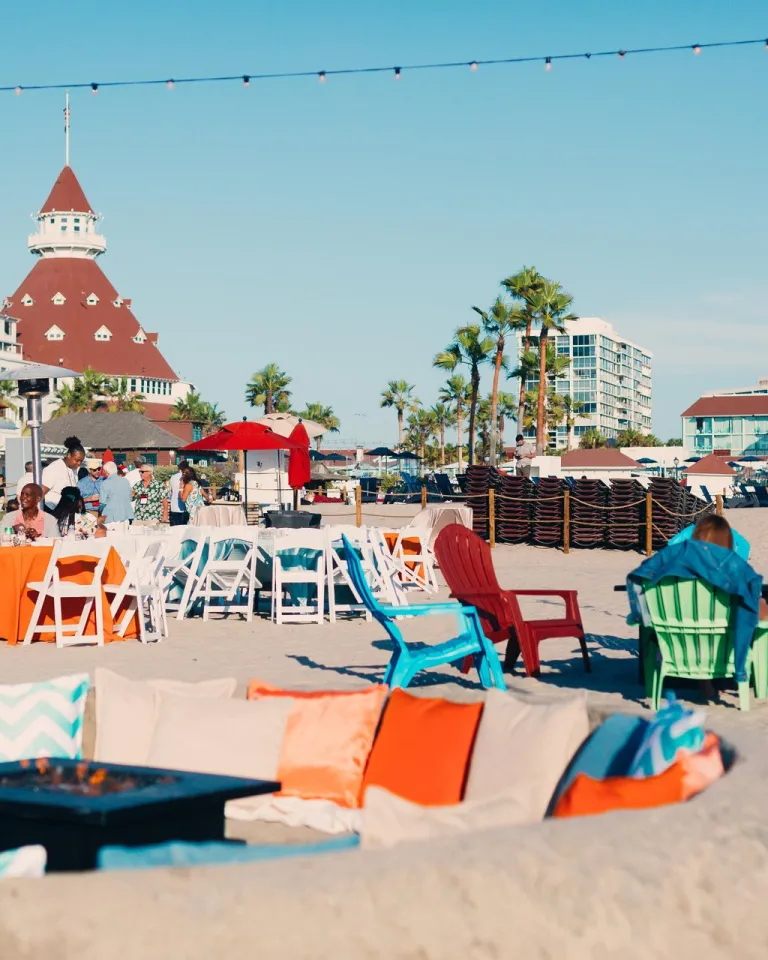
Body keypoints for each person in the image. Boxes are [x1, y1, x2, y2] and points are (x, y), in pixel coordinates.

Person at [42, 436, 85, 511]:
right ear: (69, 455)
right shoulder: (53, 468)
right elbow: (40, 493)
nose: (79, 463)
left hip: (66, 512)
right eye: (77, 460)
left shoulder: (73, 469)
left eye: (81, 461)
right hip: (51, 511)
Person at [166, 460, 190, 526]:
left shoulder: (173, 477)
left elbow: (171, 491)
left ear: (178, 467)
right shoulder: (188, 477)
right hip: (185, 507)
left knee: (174, 530)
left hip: (173, 506)